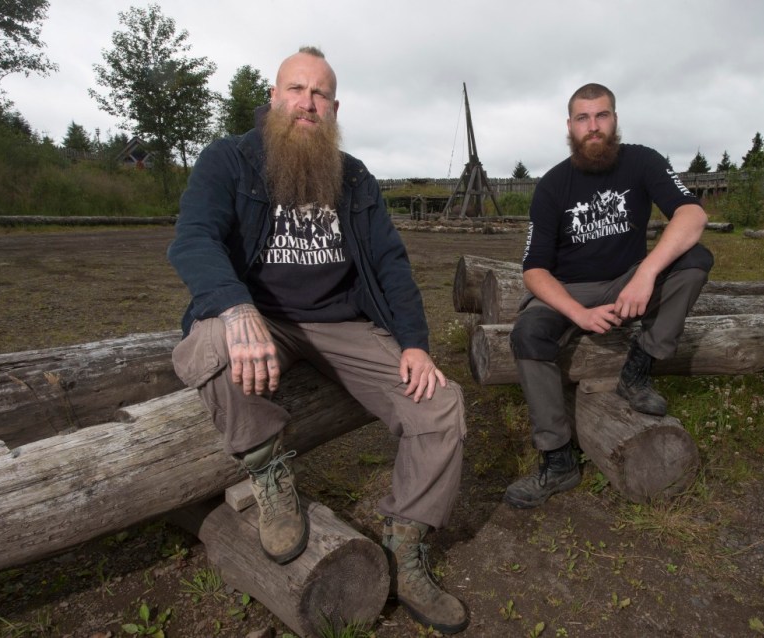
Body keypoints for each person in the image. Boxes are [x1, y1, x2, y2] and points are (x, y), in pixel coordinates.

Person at [167, 47, 469, 634]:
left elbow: (390, 263)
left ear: (334, 107)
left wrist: (414, 342)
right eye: (296, 89)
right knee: (209, 347)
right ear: (275, 97)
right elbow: (193, 238)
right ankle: (269, 470)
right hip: (262, 315)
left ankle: (405, 549)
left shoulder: (353, 176)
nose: (308, 103)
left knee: (440, 405)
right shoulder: (229, 159)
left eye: (321, 94)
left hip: (342, 322)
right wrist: (235, 309)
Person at [505, 83, 713, 510]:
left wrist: (647, 275)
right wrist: (577, 313)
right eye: (583, 118)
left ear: (614, 120)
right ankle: (558, 458)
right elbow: (535, 269)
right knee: (528, 333)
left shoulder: (642, 161)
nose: (593, 127)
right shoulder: (552, 185)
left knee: (695, 257)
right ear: (570, 126)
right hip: (570, 289)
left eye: (601, 116)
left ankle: (638, 370)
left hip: (627, 278)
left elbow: (692, 214)